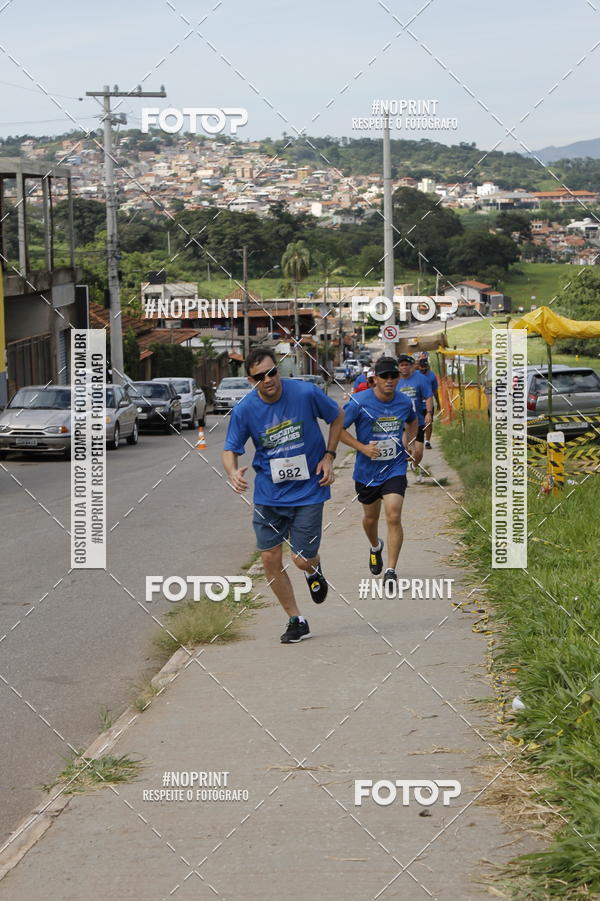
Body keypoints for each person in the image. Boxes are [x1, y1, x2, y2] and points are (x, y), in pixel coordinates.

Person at [222, 348, 344, 644]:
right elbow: (230, 449)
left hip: (309, 490)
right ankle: (296, 619)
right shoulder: (245, 410)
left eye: (272, 372)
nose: (268, 380)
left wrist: (329, 456)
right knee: (269, 557)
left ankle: (313, 569)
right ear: (251, 381)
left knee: (301, 559)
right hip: (269, 494)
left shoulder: (304, 393)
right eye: (260, 377)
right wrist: (232, 471)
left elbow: (337, 416)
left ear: (278, 370)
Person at [340, 356, 418, 589]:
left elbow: (413, 422)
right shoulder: (359, 401)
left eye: (394, 376)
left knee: (393, 515)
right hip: (367, 471)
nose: (390, 380)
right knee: (370, 518)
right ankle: (375, 546)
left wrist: (410, 443)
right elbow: (339, 430)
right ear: (375, 379)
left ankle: (391, 571)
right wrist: (362, 447)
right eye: (385, 376)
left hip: (394, 466)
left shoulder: (404, 402)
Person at [397, 354, 433, 482]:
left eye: (407, 365)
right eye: (402, 365)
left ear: (412, 366)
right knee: (406, 448)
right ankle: (400, 475)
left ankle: (414, 465)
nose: (404, 367)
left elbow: (428, 396)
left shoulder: (420, 379)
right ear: (399, 367)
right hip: (401, 423)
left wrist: (429, 412)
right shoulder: (395, 381)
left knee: (418, 451)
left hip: (417, 420)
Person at [417, 352, 440, 449]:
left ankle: (427, 441)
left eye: (425, 367)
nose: (423, 369)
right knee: (418, 424)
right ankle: (418, 441)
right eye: (421, 367)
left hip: (428, 404)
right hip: (417, 404)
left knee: (428, 423)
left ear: (427, 366)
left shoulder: (432, 376)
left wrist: (438, 403)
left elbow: (435, 391)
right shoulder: (415, 375)